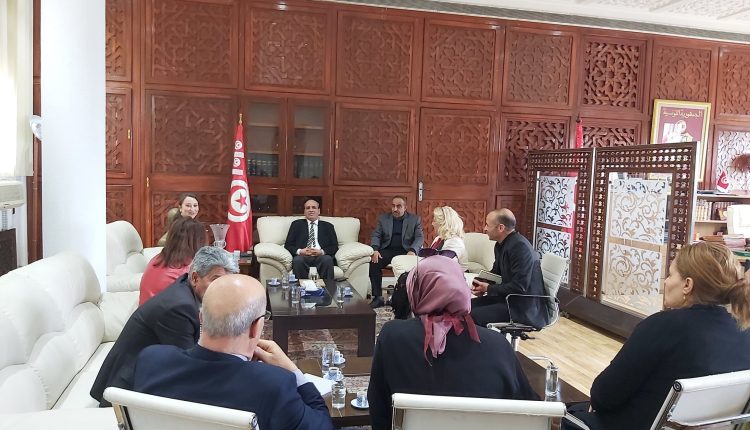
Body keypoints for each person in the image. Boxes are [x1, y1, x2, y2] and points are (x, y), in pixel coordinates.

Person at [565, 242, 750, 430]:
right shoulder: (745, 333)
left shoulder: (663, 326)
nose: (666, 282)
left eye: (670, 275)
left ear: (687, 285)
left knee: (567, 415)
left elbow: (604, 396)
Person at [133, 274, 334, 430]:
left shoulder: (151, 360)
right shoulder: (275, 384)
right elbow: (322, 426)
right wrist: (293, 371)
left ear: (201, 318)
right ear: (256, 327)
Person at [367, 255, 538, 430]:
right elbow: (530, 412)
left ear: (415, 291)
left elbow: (378, 407)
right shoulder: (499, 345)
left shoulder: (392, 337)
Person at [90, 246, 238, 406]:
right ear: (195, 278)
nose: (222, 289)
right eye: (216, 281)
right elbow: (190, 366)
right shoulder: (180, 307)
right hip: (127, 391)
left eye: (226, 283)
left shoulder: (186, 286)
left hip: (147, 373)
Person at [470, 209, 548, 328]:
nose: (485, 229)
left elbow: (520, 286)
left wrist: (489, 288)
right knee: (464, 307)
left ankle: (489, 340)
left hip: (523, 307)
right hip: (507, 299)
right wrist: (480, 283)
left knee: (473, 316)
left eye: (487, 225)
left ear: (500, 228)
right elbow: (496, 274)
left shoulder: (519, 247)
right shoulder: (500, 245)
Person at [369, 195, 424, 308]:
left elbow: (419, 238)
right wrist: (375, 249)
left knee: (409, 269)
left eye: (399, 206)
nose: (395, 209)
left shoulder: (414, 219)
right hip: (388, 250)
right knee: (374, 262)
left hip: (405, 251)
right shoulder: (384, 219)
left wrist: (412, 250)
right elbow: (376, 235)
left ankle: (404, 298)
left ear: (405, 207)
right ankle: (378, 297)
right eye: (393, 206)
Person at [139, 217, 206, 305]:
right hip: (166, 312)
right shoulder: (186, 271)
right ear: (198, 241)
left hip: (144, 309)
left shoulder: (157, 258)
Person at [284, 199, 338, 281]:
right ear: (304, 212)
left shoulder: (328, 226)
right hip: (303, 256)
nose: (311, 210)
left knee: (327, 259)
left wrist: (321, 252)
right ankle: (301, 287)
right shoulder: (296, 225)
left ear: (318, 211)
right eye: (308, 208)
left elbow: (334, 246)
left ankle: (328, 287)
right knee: (297, 260)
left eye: (314, 207)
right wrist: (300, 251)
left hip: (321, 256)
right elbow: (288, 245)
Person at [426, 205, 468, 270]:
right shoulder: (438, 239)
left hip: (454, 275)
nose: (432, 224)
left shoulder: (455, 242)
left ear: (443, 224)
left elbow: (443, 265)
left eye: (434, 221)